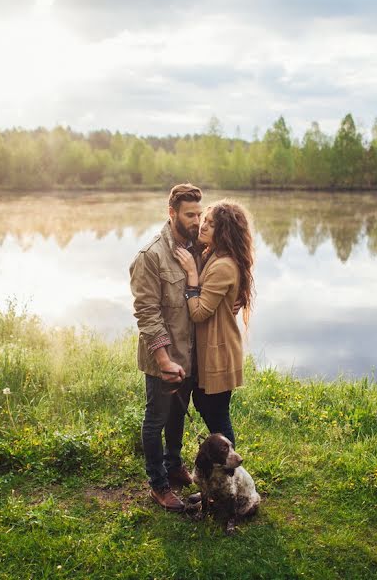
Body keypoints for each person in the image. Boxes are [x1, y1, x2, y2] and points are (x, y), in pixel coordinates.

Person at [129, 183, 203, 512]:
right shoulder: (151, 256)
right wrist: (163, 359)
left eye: (200, 214)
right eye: (190, 214)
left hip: (188, 356)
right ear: (171, 213)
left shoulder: (197, 248)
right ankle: (158, 485)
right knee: (156, 419)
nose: (197, 220)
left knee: (177, 418)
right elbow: (147, 314)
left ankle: (174, 465)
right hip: (163, 360)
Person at [175, 199, 254, 448]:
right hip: (213, 349)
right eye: (204, 221)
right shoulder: (214, 254)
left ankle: (231, 472)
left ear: (225, 231)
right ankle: (221, 467)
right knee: (204, 404)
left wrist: (191, 277)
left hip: (219, 352)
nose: (202, 226)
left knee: (217, 416)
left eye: (211, 224)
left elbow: (198, 313)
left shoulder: (222, 265)